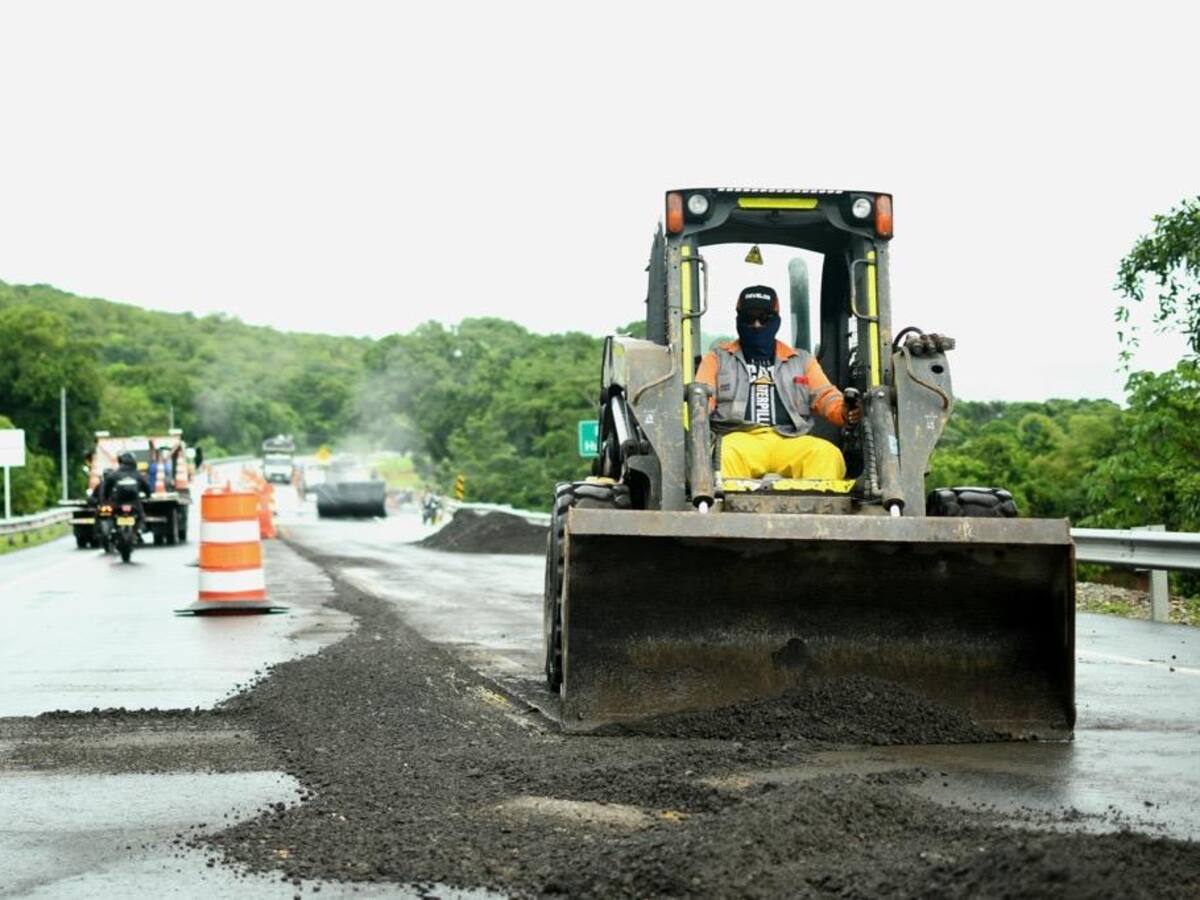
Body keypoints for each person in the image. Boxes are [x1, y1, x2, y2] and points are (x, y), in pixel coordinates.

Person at [696, 285, 862, 481]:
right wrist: (699, 413)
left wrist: (844, 410)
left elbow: (826, 396)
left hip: (790, 440)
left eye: (764, 318)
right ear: (738, 320)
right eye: (749, 318)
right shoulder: (717, 358)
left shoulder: (801, 360)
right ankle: (728, 511)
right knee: (721, 457)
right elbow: (700, 399)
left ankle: (815, 511)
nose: (757, 325)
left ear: (776, 321)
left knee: (826, 455)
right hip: (739, 439)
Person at [98, 452, 152, 528]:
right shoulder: (138, 475)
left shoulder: (115, 474)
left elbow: (106, 487)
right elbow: (147, 488)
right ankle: (140, 530)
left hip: (119, 502)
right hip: (134, 502)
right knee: (142, 517)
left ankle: (113, 530)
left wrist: (106, 499)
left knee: (111, 516)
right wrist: (148, 496)